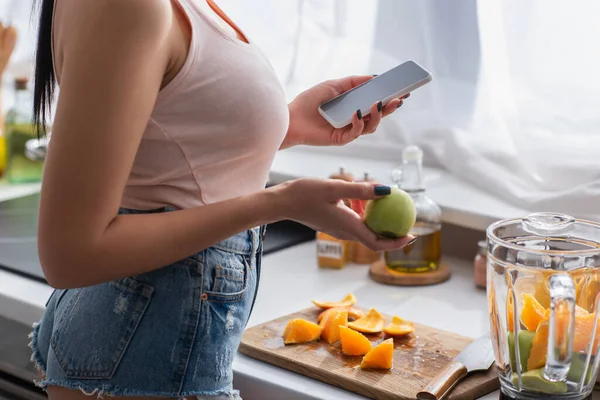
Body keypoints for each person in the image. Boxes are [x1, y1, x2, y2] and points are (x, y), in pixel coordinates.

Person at [28, 0, 415, 399]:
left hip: (138, 338)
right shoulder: (125, 6)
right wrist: (280, 203)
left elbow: (165, 150)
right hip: (142, 346)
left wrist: (287, 124)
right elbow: (69, 254)